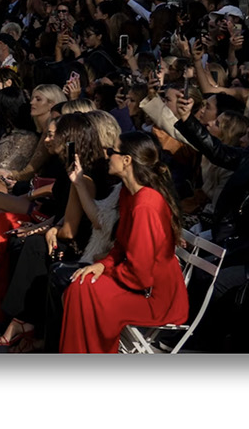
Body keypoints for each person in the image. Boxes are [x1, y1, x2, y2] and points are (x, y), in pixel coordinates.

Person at [59, 131, 188, 353]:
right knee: (80, 287)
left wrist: (106, 270)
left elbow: (140, 274)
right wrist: (102, 265)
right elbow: (121, 245)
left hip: (156, 299)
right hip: (137, 282)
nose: (107, 155)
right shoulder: (129, 194)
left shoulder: (145, 204)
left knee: (84, 290)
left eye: (113, 151)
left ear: (127, 160)